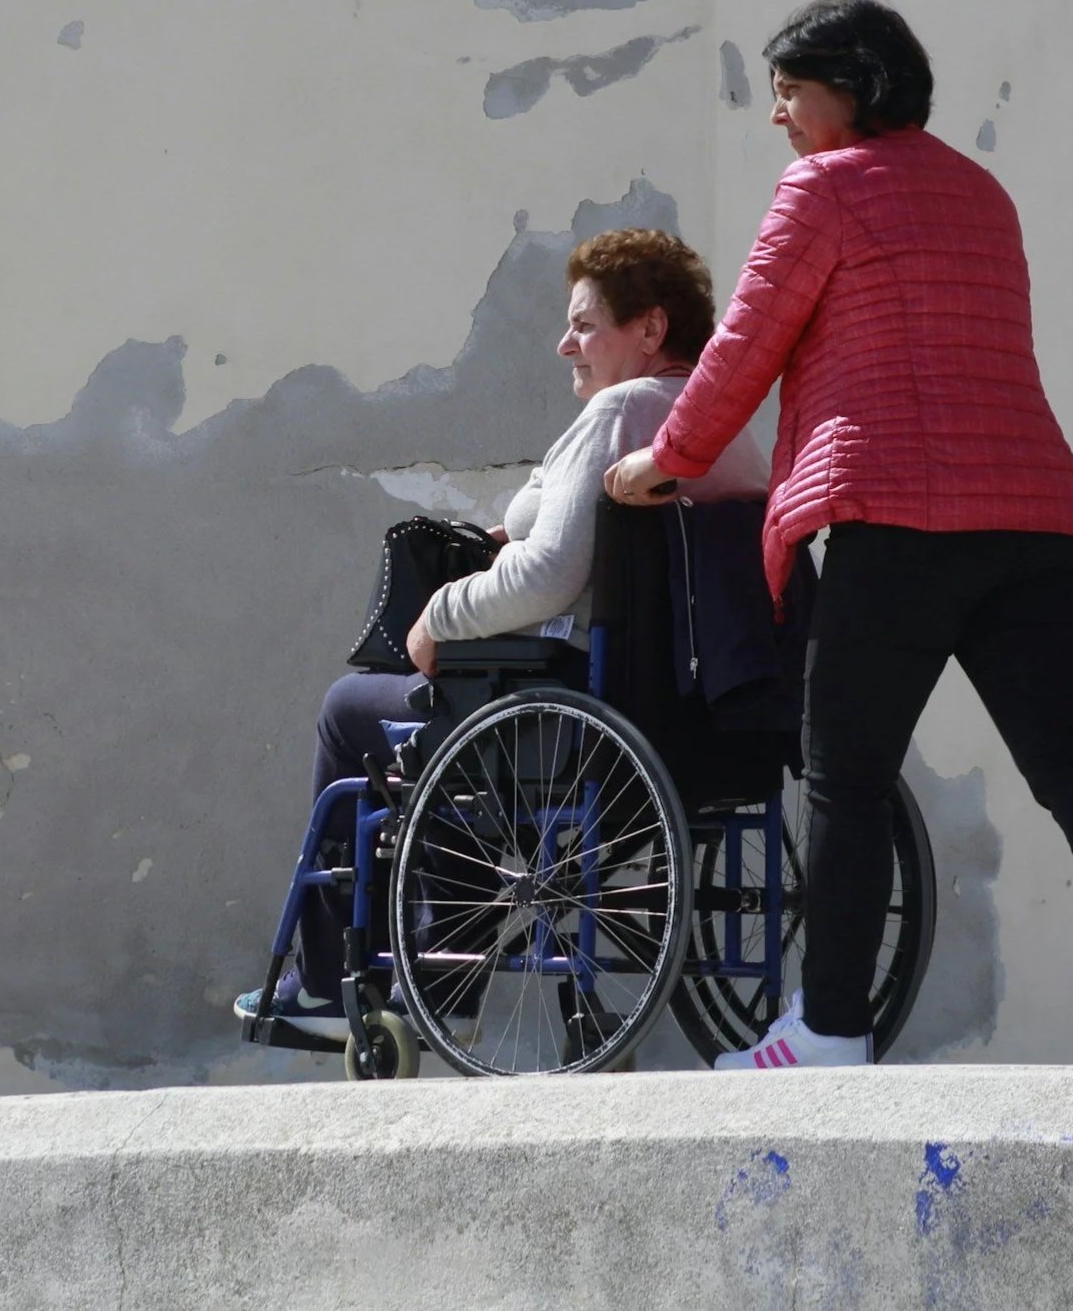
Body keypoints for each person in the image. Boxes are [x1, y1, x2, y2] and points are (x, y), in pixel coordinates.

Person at [606, 0, 1073, 1068]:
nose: (776, 114)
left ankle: (829, 1025)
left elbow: (743, 344)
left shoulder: (824, 187)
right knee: (1070, 752)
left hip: (892, 514)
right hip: (1032, 519)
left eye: (791, 89)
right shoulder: (982, 193)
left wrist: (659, 460)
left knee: (843, 770)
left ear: (856, 86)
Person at [235, 228, 768, 1037]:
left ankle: (333, 986)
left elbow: (552, 574)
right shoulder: (723, 429)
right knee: (462, 718)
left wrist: (440, 615)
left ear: (651, 329)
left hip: (577, 712)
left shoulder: (620, 412)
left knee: (355, 709)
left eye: (585, 324)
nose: (566, 345)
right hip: (693, 715)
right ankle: (441, 977)